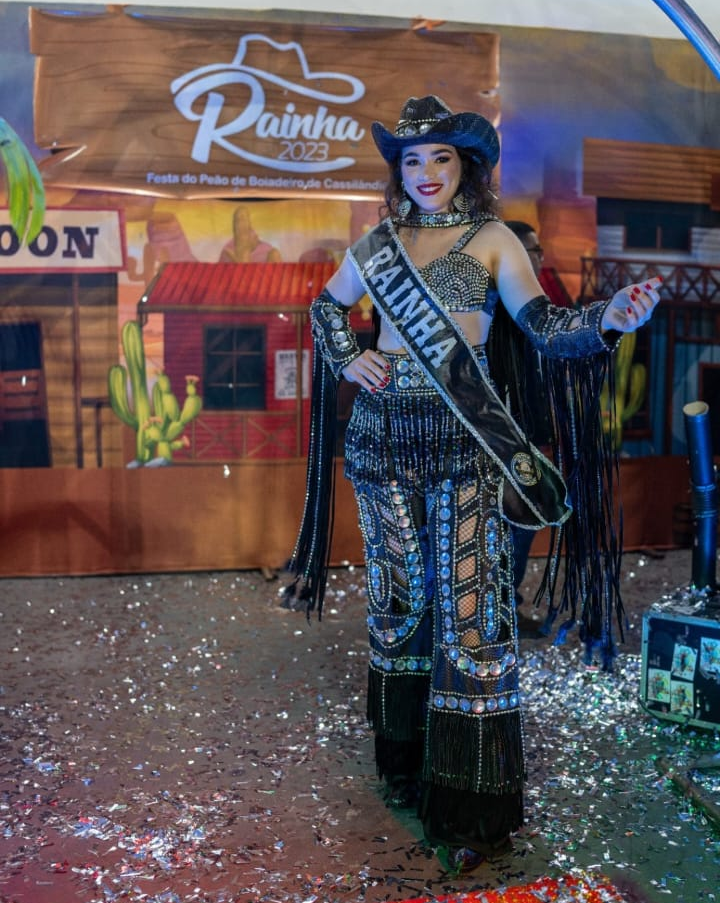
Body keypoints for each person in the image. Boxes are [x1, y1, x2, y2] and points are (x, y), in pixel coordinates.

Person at [288, 95, 661, 876]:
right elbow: (324, 308)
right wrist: (345, 357)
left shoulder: (494, 239)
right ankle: (406, 760)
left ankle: (471, 801)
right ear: (400, 171)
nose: (425, 174)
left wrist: (613, 318)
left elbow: (548, 330)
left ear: (468, 168)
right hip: (381, 440)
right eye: (412, 160)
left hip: (467, 443)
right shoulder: (379, 242)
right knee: (399, 604)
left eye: (441, 159)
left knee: (473, 616)